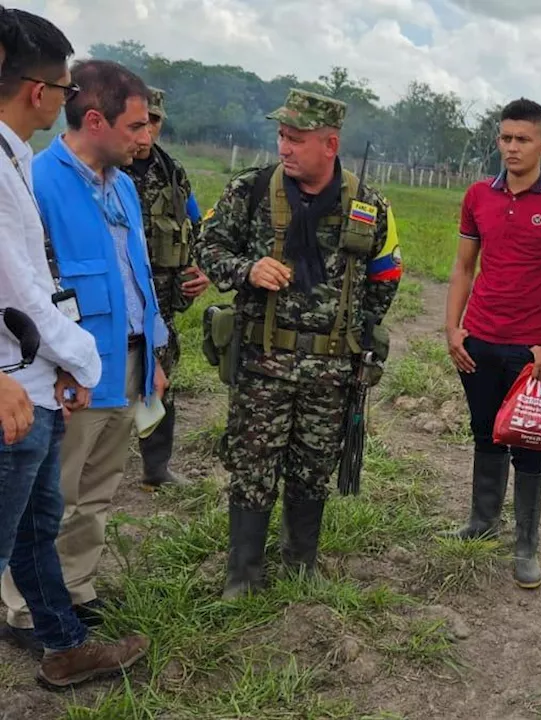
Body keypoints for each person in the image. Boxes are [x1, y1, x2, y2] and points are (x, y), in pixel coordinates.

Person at [195, 88, 401, 600]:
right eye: (282, 137)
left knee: (313, 467)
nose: (284, 148)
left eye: (296, 139)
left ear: (329, 144)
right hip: (264, 361)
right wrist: (246, 268)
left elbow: (387, 270)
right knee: (253, 464)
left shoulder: (367, 204)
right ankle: (243, 574)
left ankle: (300, 562)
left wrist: (360, 333)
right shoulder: (251, 190)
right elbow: (208, 243)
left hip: (331, 370)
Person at [0, 57, 170, 649]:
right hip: (68, 369)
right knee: (51, 495)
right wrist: (58, 365)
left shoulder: (123, 185)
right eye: (135, 126)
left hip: (126, 359)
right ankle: (25, 610)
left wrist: (156, 352)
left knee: (98, 489)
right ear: (94, 120)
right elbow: (26, 286)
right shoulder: (38, 180)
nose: (145, 138)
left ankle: (75, 588)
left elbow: (137, 274)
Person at [442, 98, 541, 590]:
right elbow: (464, 267)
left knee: (529, 442)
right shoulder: (478, 195)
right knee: (485, 433)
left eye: (522, 139)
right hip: (478, 339)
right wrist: (453, 328)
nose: (511, 147)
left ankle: (526, 544)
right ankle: (483, 521)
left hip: (530, 350)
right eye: (505, 137)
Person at [122, 86, 210, 489]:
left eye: (155, 121)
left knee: (160, 383)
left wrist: (198, 270)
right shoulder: (106, 167)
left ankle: (155, 469)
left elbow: (195, 227)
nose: (148, 130)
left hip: (162, 303)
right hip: (118, 301)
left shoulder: (172, 172)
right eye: (141, 120)